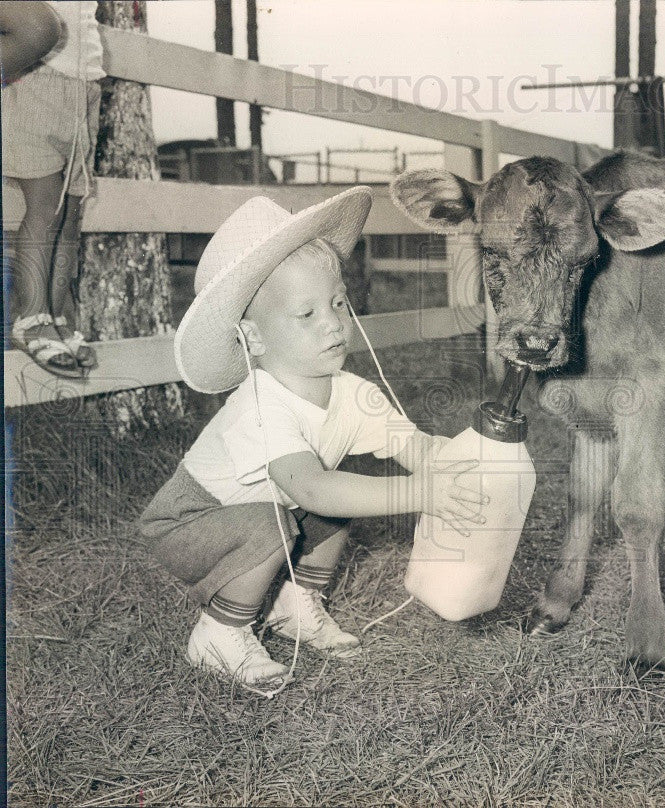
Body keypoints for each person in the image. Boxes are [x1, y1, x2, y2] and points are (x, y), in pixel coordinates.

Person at [138, 188, 486, 688]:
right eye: (306, 315)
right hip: (187, 521)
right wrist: (420, 493)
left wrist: (449, 463)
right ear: (254, 338)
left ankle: (296, 604)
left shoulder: (352, 392)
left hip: (262, 511)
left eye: (338, 303)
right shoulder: (262, 405)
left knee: (342, 496)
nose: (333, 324)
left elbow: (412, 446)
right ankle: (219, 632)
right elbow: (311, 489)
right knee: (282, 516)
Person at [2, 0, 102, 376]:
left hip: (86, 85)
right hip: (37, 81)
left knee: (72, 209)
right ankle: (30, 318)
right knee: (46, 206)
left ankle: (56, 314)